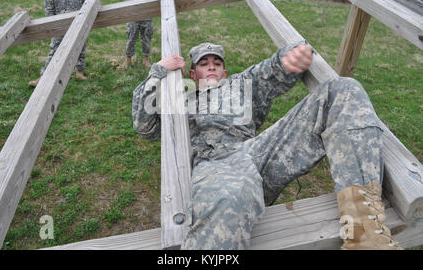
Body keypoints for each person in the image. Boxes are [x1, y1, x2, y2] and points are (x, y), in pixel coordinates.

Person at [132, 41, 403, 250]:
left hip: (258, 153)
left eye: (217, 62)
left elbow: (272, 70)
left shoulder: (238, 85)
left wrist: (291, 54)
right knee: (230, 196)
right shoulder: (183, 100)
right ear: (193, 73)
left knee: (343, 90)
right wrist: (158, 72)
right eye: (204, 63)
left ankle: (365, 233)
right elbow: (144, 126)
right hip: (213, 166)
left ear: (225, 71)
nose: (211, 66)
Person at [29, 0, 87, 87]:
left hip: (75, 27)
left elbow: (85, 11)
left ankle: (79, 72)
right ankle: (43, 77)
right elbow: (49, 12)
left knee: (80, 48)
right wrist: (55, 27)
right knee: (54, 51)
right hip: (58, 29)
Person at [123, 0, 157, 68]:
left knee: (146, 38)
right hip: (133, 16)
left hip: (147, 17)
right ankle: (128, 59)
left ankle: (146, 60)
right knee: (131, 38)